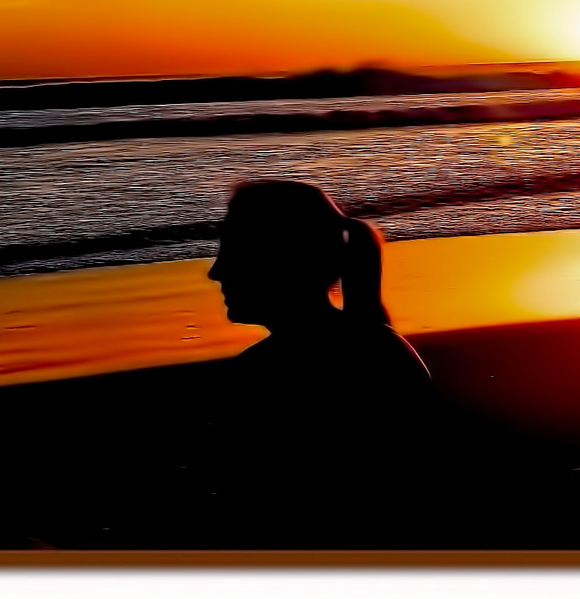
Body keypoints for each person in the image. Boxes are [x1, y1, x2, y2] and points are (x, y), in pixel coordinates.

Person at [186, 180, 443, 546]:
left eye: (232, 251)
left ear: (277, 262)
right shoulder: (379, 346)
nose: (216, 272)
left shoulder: (265, 376)